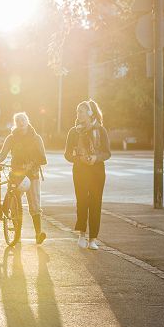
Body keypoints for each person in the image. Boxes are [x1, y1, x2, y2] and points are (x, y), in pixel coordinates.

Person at [0, 112, 47, 244]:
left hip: (32, 174)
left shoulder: (36, 138)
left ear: (27, 121)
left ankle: (38, 233)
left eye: (23, 120)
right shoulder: (11, 138)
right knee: (13, 203)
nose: (21, 122)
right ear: (15, 124)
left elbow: (42, 158)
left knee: (34, 204)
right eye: (18, 121)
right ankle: (16, 231)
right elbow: (3, 154)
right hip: (16, 174)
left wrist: (31, 164)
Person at [64, 99, 111, 250]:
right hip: (80, 170)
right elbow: (67, 154)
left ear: (90, 113)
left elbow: (107, 153)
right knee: (82, 202)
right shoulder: (73, 131)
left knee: (96, 203)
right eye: (77, 111)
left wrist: (96, 158)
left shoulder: (100, 130)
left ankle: (93, 239)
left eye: (81, 111)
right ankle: (82, 235)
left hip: (97, 170)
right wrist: (79, 158)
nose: (78, 114)